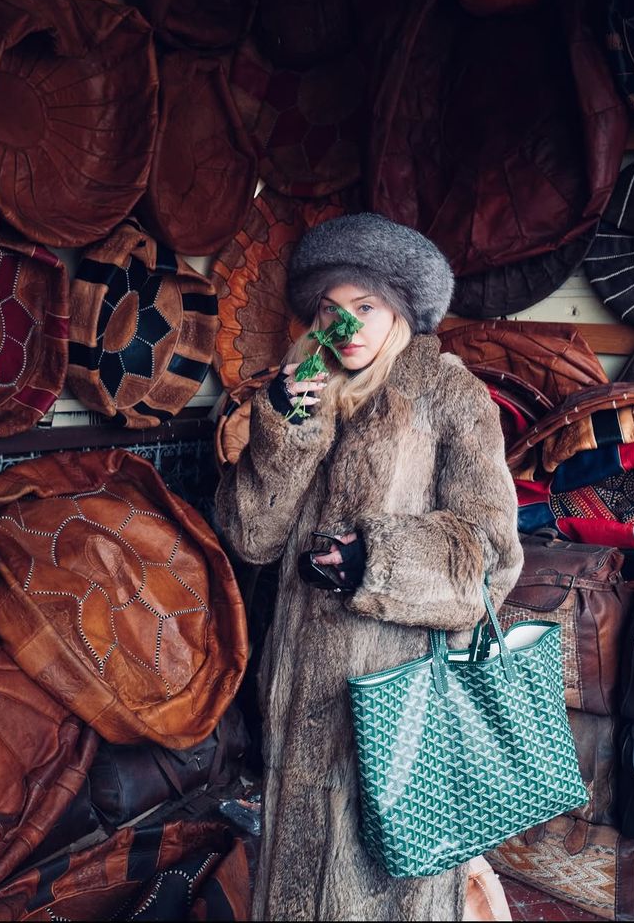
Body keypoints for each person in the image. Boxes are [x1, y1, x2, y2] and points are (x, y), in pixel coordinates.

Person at [215, 213, 524, 922]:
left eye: (366, 307)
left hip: (397, 708)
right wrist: (286, 430)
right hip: (297, 707)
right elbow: (251, 536)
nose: (345, 325)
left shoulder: (450, 396)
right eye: (331, 309)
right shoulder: (306, 388)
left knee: (387, 897)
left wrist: (373, 561)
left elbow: (492, 558)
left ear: (400, 313)